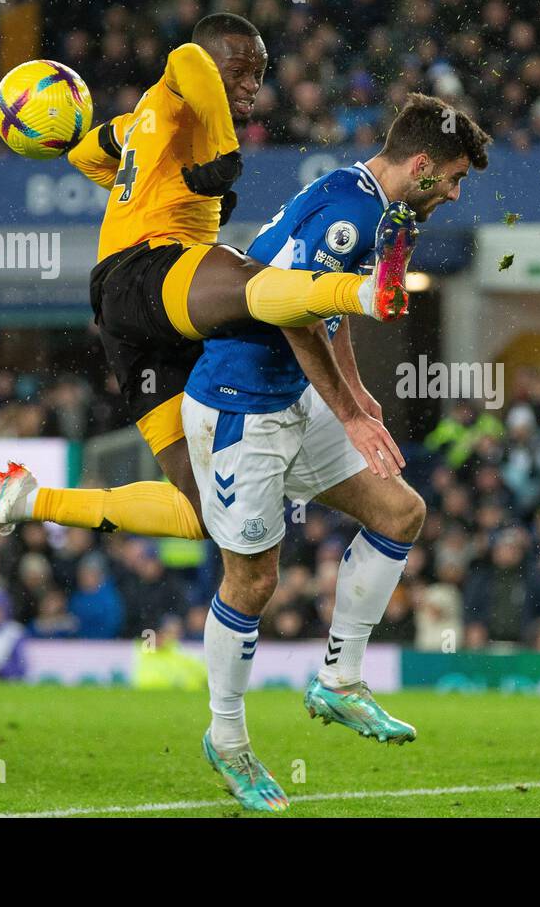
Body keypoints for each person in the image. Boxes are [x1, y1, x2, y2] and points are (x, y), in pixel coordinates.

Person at [0, 13, 415, 551]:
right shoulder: (181, 86)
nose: (251, 84)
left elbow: (85, 153)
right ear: (214, 64)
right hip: (147, 269)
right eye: (239, 70)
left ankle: (25, 500)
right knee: (258, 286)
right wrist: (222, 154)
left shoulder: (147, 120)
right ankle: (367, 291)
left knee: (204, 513)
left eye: (259, 72)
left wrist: (157, 183)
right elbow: (186, 59)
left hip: (131, 317)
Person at [183, 93, 491, 810]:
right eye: (449, 179)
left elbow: (326, 308)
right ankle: (227, 740)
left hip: (293, 396)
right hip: (240, 406)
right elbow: (290, 310)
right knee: (254, 582)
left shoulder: (368, 202)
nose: (451, 192)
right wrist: (349, 412)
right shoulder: (353, 215)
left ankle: (339, 680)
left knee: (398, 510)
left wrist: (357, 393)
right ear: (420, 164)